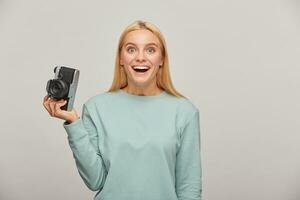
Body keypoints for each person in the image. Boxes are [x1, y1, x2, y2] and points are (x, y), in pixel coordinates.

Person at [43, 20, 202, 200]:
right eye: (131, 49)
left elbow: (189, 187)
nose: (140, 57)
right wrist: (73, 123)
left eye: (150, 50)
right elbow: (95, 181)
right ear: (120, 59)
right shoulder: (96, 108)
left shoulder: (185, 112)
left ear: (162, 59)